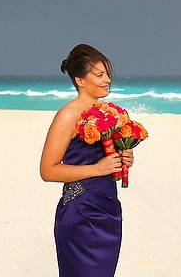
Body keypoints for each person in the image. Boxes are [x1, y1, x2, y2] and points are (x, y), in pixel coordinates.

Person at [40, 44, 134, 277]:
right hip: (81, 212)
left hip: (109, 209)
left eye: (108, 74)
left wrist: (123, 158)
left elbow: (103, 159)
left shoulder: (108, 113)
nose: (108, 80)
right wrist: (96, 168)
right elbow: (48, 171)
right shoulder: (68, 114)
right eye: (99, 75)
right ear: (80, 80)